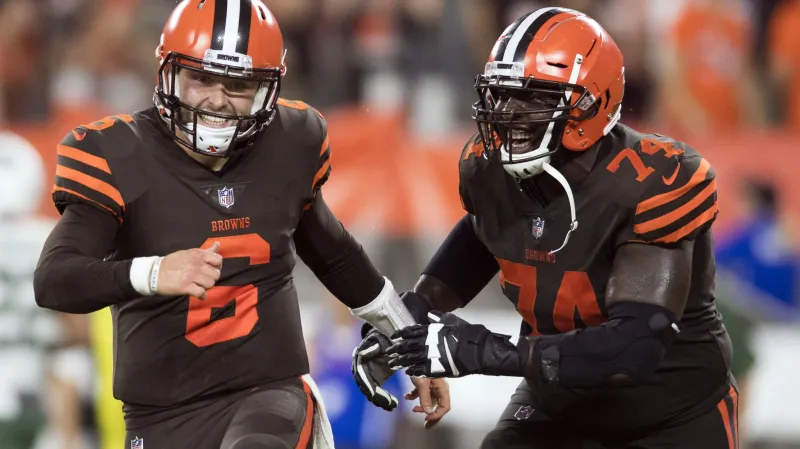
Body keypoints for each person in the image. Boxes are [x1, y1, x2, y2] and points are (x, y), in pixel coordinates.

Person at [32, 1, 448, 447]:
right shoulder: (116, 154)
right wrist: (152, 272)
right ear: (168, 73)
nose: (217, 99)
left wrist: (410, 344)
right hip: (159, 416)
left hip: (269, 396)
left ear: (266, 90)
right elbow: (55, 280)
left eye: (238, 85)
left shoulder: (292, 141)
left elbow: (334, 253)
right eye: (202, 78)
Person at [352, 7, 737, 449]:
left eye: (533, 99)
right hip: (559, 403)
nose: (509, 115)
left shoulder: (652, 181)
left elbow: (632, 349)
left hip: (669, 414)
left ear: (589, 103)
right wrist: (408, 320)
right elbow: (484, 232)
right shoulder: (488, 169)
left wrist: (479, 350)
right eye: (502, 95)